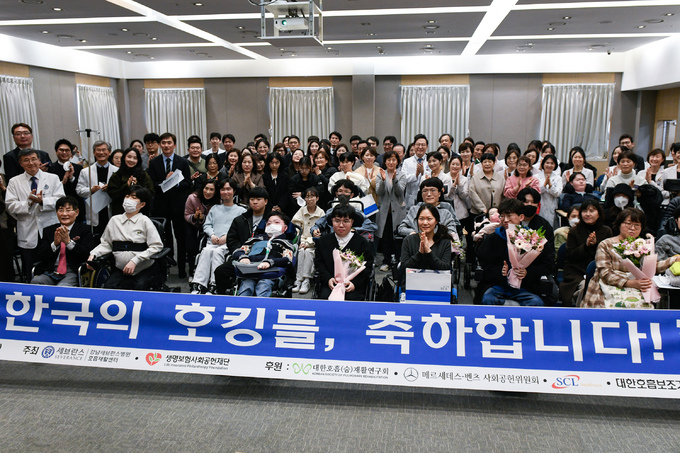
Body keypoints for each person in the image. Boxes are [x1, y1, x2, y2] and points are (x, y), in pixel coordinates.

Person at [581, 208, 678, 308]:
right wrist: (629, 283)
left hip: (637, 285)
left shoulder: (643, 245)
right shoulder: (605, 244)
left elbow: (652, 267)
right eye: (628, 224)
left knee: (643, 307)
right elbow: (605, 273)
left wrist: (673, 260)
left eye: (637, 225)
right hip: (609, 284)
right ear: (619, 224)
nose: (632, 228)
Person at [88, 186, 164, 290]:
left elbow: (157, 246)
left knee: (140, 287)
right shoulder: (114, 220)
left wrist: (135, 260)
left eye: (134, 197)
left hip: (143, 268)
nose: (129, 200)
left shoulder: (145, 221)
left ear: (142, 204)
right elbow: (106, 244)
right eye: (127, 196)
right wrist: (94, 254)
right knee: (109, 287)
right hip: (120, 269)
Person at [6, 149, 65, 281]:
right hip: (27, 231)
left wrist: (42, 201)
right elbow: (10, 205)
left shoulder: (53, 178)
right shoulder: (14, 182)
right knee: (30, 270)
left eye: (33, 159)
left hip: (50, 229)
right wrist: (29, 203)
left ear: (39, 161)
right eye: (26, 160)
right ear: (20, 163)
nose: (31, 163)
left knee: (53, 267)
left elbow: (61, 200)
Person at [477, 199, 549, 306]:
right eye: (502, 216)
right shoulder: (492, 239)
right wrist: (499, 271)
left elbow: (547, 266)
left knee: (535, 302)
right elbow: (483, 266)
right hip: (497, 285)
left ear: (521, 217)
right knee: (488, 299)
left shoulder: (533, 239)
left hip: (524, 287)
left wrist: (527, 272)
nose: (505, 220)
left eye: (509, 216)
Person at [147, 132, 192, 278]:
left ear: (175, 145)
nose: (166, 145)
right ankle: (163, 270)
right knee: (162, 238)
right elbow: (152, 184)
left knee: (181, 238)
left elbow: (188, 183)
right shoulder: (154, 162)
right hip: (161, 206)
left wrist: (175, 183)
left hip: (178, 206)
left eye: (169, 142)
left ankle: (181, 270)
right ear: (160, 145)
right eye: (164, 143)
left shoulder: (182, 162)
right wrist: (166, 183)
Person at [190, 178, 246, 294]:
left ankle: (214, 284)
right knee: (206, 251)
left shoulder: (241, 211)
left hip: (228, 244)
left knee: (217, 252)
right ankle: (199, 284)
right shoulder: (215, 208)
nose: (225, 192)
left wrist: (227, 237)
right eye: (223, 189)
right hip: (213, 241)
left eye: (228, 189)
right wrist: (212, 235)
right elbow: (207, 225)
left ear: (234, 191)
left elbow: (240, 230)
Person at [213, 187, 271, 295]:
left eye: (258, 199)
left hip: (266, 258)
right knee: (220, 272)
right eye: (252, 199)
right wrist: (241, 255)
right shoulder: (240, 220)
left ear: (266, 201)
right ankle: (224, 299)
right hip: (242, 258)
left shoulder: (273, 220)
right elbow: (232, 241)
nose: (255, 202)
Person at [314, 204, 374, 301]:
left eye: (346, 221)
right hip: (330, 284)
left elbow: (367, 267)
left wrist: (354, 283)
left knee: (352, 299)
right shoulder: (323, 241)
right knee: (325, 298)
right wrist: (328, 279)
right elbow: (319, 263)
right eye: (337, 221)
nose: (341, 225)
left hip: (353, 286)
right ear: (332, 221)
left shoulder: (362, 242)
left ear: (352, 222)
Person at [31, 196, 94, 287]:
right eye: (61, 210)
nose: (64, 214)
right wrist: (55, 244)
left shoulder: (84, 230)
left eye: (68, 210)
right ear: (56, 213)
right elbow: (40, 255)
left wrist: (69, 243)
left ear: (77, 212)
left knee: (62, 287)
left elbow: (86, 254)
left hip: (72, 271)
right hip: (51, 271)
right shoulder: (49, 230)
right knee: (36, 282)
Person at [559, 199, 612, 306]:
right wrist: (586, 246)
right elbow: (570, 256)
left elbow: (608, 256)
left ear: (599, 213)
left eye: (592, 211)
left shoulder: (606, 231)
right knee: (586, 286)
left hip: (600, 271)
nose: (588, 214)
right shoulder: (574, 231)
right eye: (584, 211)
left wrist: (596, 245)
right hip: (576, 271)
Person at [233, 211, 298, 297]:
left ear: (285, 228)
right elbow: (238, 251)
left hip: (270, 274)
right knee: (246, 286)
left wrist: (270, 262)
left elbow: (287, 259)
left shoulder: (286, 243)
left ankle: (261, 305)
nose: (272, 225)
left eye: (276, 222)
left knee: (263, 286)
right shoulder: (254, 240)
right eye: (269, 223)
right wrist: (243, 257)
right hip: (250, 271)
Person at [399, 203, 452, 288]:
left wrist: (429, 252)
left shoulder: (445, 242)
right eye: (421, 219)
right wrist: (420, 253)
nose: (425, 222)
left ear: (436, 221)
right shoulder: (408, 240)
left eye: (429, 219)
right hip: (412, 286)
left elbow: (445, 268)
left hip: (438, 286)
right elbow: (404, 268)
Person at [76, 140, 118, 236]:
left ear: (109, 152)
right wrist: (91, 189)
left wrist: (111, 188)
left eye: (104, 150)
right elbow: (79, 190)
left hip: (111, 209)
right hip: (94, 211)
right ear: (94, 153)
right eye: (98, 150)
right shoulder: (85, 172)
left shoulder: (117, 171)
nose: (101, 152)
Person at [376, 150, 407, 271]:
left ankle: (399, 261)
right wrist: (383, 181)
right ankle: (386, 261)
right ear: (385, 162)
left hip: (398, 211)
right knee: (385, 237)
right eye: (388, 160)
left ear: (397, 162)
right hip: (384, 212)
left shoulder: (401, 175)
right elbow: (379, 192)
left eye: (393, 160)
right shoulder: (380, 174)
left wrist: (394, 180)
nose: (391, 162)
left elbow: (400, 192)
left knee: (398, 238)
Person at [292, 187, 325, 294]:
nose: (309, 199)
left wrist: (309, 242)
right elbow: (296, 229)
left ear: (317, 198)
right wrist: (301, 241)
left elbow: (321, 232)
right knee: (301, 251)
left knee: (309, 252)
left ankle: (306, 280)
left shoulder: (321, 212)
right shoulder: (301, 210)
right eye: (307, 197)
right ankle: (298, 280)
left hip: (314, 243)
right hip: (301, 242)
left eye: (312, 196)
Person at [184, 179, 219, 276]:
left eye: (211, 189)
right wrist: (194, 217)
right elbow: (186, 215)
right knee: (191, 247)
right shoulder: (192, 198)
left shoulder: (218, 202)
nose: (208, 192)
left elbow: (216, 218)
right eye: (206, 188)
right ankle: (192, 272)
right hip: (192, 225)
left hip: (209, 226)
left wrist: (203, 218)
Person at [106, 147, 155, 216]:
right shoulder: (117, 175)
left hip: (140, 212)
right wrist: (126, 186)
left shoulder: (143, 174)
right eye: (129, 157)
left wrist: (137, 186)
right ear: (124, 158)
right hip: (120, 212)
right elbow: (112, 194)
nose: (131, 160)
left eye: (135, 158)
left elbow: (150, 193)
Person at [48, 139, 84, 220]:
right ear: (56, 152)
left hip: (76, 205)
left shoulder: (78, 168)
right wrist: (62, 182)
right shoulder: (50, 169)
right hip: (57, 207)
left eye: (67, 150)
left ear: (71, 152)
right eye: (61, 150)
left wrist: (71, 178)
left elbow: (80, 188)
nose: (64, 153)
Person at [402, 134, 431, 207]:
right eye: (418, 144)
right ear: (414, 146)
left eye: (423, 145)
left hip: (427, 197)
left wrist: (423, 172)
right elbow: (403, 179)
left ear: (427, 147)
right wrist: (416, 174)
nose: (420, 147)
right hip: (410, 198)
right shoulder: (407, 161)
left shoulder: (430, 160)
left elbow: (433, 177)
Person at [536, 154, 563, 227]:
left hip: (552, 206)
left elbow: (558, 193)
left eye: (552, 163)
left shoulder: (558, 178)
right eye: (547, 163)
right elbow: (536, 192)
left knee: (550, 227)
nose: (549, 165)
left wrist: (550, 186)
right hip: (540, 205)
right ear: (543, 164)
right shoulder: (536, 177)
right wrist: (544, 185)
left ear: (555, 165)